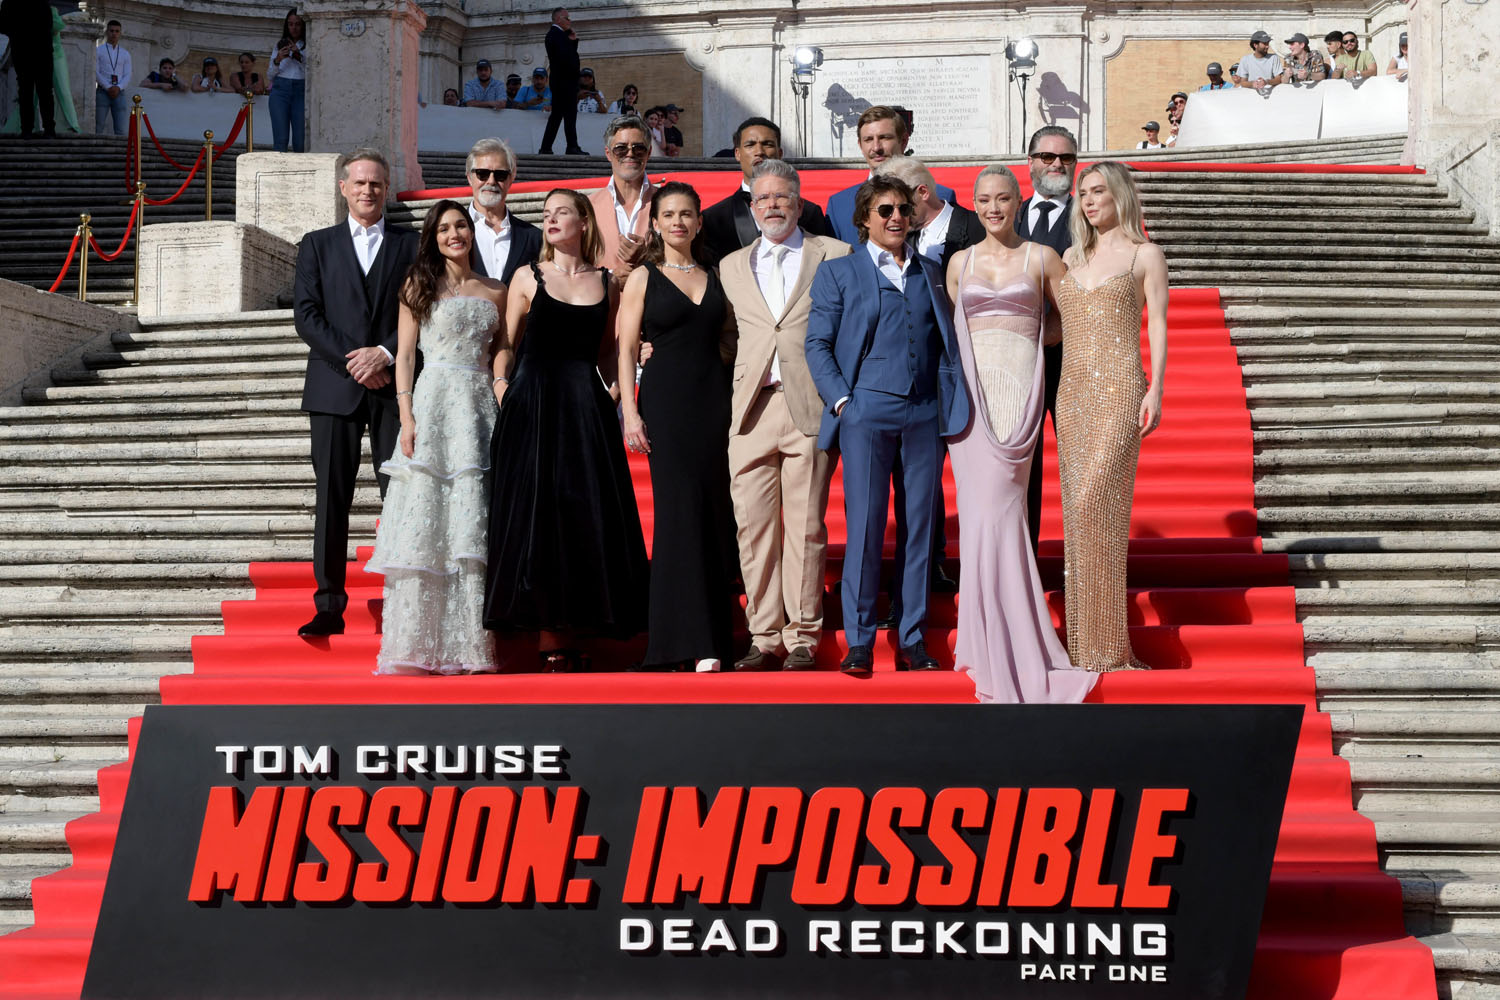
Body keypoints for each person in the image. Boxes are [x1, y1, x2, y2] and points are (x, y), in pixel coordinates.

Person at [945, 165, 1098, 704]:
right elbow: (954, 332)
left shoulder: (1042, 257)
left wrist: (1030, 340)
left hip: (1017, 396)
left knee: (1005, 512)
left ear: (1018, 202)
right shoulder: (959, 263)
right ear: (975, 204)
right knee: (978, 517)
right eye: (985, 200)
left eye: (1003, 199)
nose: (994, 208)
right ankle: (983, 638)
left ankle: (1013, 639)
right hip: (972, 401)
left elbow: (1070, 317)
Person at [805, 175, 970, 675]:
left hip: (923, 414)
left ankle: (913, 638)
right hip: (866, 412)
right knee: (865, 526)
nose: (896, 217)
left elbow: (946, 341)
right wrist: (843, 402)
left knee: (919, 528)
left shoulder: (932, 270)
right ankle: (859, 640)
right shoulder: (839, 272)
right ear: (864, 219)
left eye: (902, 209)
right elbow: (818, 343)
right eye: (884, 210)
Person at [483, 189, 649, 669]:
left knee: (583, 512)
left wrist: (611, 397)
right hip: (531, 405)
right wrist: (503, 388)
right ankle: (548, 634)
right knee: (538, 513)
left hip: (585, 408)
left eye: (562, 213)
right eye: (546, 214)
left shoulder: (607, 283)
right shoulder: (526, 277)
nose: (551, 220)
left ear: (584, 222)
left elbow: (609, 352)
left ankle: (580, 623)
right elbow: (505, 344)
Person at [719, 160, 850, 671]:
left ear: (798, 202)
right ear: (751, 206)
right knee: (752, 528)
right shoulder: (731, 265)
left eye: (781, 197)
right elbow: (726, 335)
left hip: (809, 404)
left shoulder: (834, 254)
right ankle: (764, 634)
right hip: (750, 409)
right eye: (763, 198)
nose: (772, 205)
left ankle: (803, 635)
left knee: (806, 526)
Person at [367, 200, 506, 674]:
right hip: (432, 404)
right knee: (426, 515)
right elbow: (406, 356)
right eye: (444, 228)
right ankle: (416, 642)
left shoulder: (496, 290)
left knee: (471, 517)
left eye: (461, 225)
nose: (454, 234)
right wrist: (406, 417)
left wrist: (500, 386)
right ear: (433, 237)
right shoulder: (418, 284)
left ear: (472, 231)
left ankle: (470, 643)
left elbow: (503, 348)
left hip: (479, 406)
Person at [292, 149, 419, 636]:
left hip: (395, 387)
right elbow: (307, 316)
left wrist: (384, 353)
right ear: (343, 187)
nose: (369, 190)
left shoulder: (411, 244)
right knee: (331, 497)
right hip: (334, 386)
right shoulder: (317, 245)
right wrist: (358, 361)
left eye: (377, 183)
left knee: (402, 494)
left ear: (386, 189)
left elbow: (425, 308)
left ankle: (405, 598)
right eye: (360, 182)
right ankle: (328, 605)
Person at [1054, 161, 1168, 672]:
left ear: (1119, 194)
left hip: (1121, 388)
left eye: (1098, 191)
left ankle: (1108, 647)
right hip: (1072, 394)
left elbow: (1158, 324)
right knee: (1078, 517)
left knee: (1095, 502)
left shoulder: (1146, 255)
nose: (1089, 201)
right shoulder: (1070, 257)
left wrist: (1156, 388)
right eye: (1083, 193)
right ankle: (1087, 648)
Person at [617, 182, 735, 671]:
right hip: (666, 403)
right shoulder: (643, 278)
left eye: (687, 214)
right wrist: (630, 412)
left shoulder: (718, 275)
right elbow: (626, 347)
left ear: (699, 221)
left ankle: (714, 637)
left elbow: (729, 340)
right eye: (669, 214)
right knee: (677, 515)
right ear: (656, 224)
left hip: (715, 405)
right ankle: (677, 641)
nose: (678, 222)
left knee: (714, 513)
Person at [1015, 124, 1078, 553]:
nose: (1057, 164)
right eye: (1047, 156)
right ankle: (1025, 565)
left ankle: (1085, 568)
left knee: (1080, 467)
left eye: (1066, 158)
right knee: (1022, 469)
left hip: (1073, 361)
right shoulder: (1007, 215)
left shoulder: (1090, 217)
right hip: (1015, 364)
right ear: (1030, 162)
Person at [699, 116, 832, 267]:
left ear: (780, 153)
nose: (759, 152)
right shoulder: (714, 218)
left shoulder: (810, 212)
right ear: (737, 153)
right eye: (750, 145)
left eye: (767, 144)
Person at [827, 106, 954, 245]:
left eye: (884, 138)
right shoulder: (839, 205)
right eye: (868, 139)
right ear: (860, 145)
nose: (876, 148)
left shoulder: (940, 196)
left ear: (903, 141)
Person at [465, 136, 542, 285]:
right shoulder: (448, 235)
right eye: (482, 174)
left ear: (511, 178)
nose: (491, 181)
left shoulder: (534, 238)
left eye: (500, 175)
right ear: (469, 177)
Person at [588, 114, 655, 285]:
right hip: (604, 300)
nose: (630, 154)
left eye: (638, 148)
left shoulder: (667, 203)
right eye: (621, 148)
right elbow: (573, 265)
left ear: (648, 153)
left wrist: (648, 257)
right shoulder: (587, 207)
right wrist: (609, 277)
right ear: (608, 153)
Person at [0, 0, 54, 137]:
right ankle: (49, 129)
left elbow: (3, 26)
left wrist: (17, 32)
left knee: (25, 90)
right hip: (42, 51)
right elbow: (49, 24)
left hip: (22, 51)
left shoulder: (10, 2)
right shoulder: (42, 2)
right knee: (45, 91)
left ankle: (26, 129)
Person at [539, 5, 585, 154]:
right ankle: (572, 146)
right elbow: (566, 59)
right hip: (564, 82)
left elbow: (567, 55)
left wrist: (572, 41)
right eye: (567, 18)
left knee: (557, 116)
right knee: (569, 115)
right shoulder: (555, 35)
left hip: (562, 82)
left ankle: (546, 147)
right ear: (558, 19)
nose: (569, 21)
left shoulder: (558, 35)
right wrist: (571, 42)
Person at [267, 9, 306, 152]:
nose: (294, 28)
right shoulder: (279, 44)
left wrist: (298, 55)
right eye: (290, 24)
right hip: (280, 91)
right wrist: (278, 59)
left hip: (300, 91)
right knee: (280, 139)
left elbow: (314, 72)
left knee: (300, 140)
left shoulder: (309, 44)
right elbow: (270, 76)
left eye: (297, 24)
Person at [94, 20, 131, 135]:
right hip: (102, 91)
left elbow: (127, 74)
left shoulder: (125, 53)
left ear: (120, 33)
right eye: (111, 31)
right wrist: (108, 87)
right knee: (98, 127)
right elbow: (95, 71)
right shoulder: (98, 50)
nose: (114, 34)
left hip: (119, 92)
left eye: (117, 31)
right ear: (106, 32)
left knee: (120, 129)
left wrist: (118, 87)